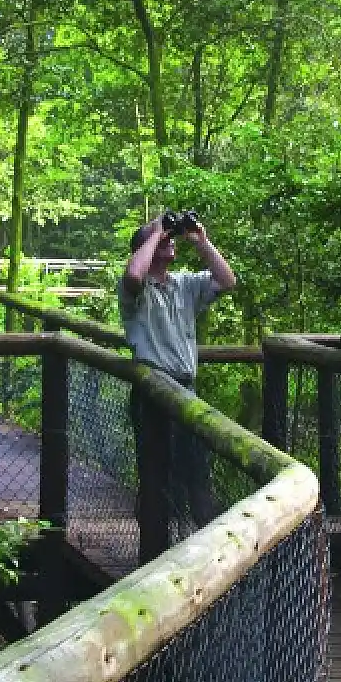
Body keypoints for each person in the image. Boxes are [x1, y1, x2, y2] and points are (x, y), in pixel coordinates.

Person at [119, 212, 237, 539]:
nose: (169, 241)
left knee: (197, 475)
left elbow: (227, 281)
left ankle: (209, 551)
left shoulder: (184, 285)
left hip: (186, 393)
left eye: (170, 238)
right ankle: (154, 553)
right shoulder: (136, 290)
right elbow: (133, 275)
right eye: (162, 239)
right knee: (156, 480)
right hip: (153, 393)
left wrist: (201, 241)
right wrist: (155, 231)